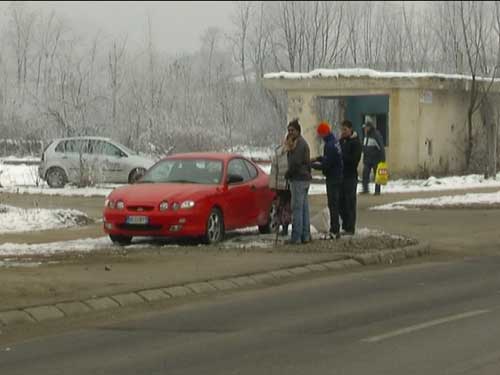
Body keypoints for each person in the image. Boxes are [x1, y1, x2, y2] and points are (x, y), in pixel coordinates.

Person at [311, 121, 343, 239]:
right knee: (334, 204)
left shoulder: (329, 145)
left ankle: (334, 230)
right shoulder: (334, 142)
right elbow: (328, 158)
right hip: (337, 176)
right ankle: (335, 228)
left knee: (333, 204)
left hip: (333, 178)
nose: (319, 137)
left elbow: (326, 164)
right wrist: (318, 158)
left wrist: (312, 165)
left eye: (320, 134)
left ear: (323, 133)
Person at [284, 119, 312, 244]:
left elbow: (296, 162)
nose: (290, 133)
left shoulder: (299, 144)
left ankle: (296, 237)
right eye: (289, 130)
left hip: (298, 179)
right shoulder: (298, 143)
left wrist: (288, 173)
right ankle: (305, 235)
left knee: (297, 208)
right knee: (304, 209)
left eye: (292, 130)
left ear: (298, 131)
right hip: (304, 178)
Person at [268, 133, 295, 236]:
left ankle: (286, 226)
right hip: (280, 185)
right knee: (280, 206)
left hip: (290, 185)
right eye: (288, 140)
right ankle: (280, 225)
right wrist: (272, 185)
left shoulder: (294, 153)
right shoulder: (279, 154)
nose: (289, 143)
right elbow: (274, 170)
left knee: (288, 207)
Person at [339, 120, 362, 235]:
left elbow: (354, 161)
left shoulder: (356, 143)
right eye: (342, 129)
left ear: (350, 129)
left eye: (345, 130)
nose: (343, 132)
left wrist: (342, 156)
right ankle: (345, 224)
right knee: (341, 202)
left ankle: (350, 227)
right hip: (341, 176)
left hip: (351, 176)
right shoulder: (341, 141)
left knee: (350, 202)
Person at [361, 120, 385, 195]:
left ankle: (377, 191)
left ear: (369, 127)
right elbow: (365, 147)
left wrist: (383, 159)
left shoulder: (376, 135)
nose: (365, 129)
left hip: (376, 159)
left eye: (366, 127)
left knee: (376, 175)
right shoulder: (366, 135)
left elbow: (381, 147)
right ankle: (365, 189)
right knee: (365, 174)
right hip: (367, 159)